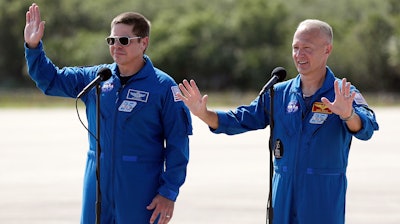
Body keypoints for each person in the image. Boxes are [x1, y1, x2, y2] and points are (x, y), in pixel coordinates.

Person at [178, 19, 379, 224]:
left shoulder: (343, 93)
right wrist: (204, 113)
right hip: (282, 194)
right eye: (295, 48)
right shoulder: (279, 93)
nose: (299, 55)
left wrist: (347, 114)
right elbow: (241, 119)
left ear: (327, 49)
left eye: (307, 48)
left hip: (322, 196)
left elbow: (367, 128)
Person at [24, 3, 192, 224]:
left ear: (144, 43)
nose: (116, 46)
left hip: (139, 186)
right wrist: (33, 46)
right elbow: (51, 80)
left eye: (124, 40)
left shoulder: (163, 87)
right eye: (111, 40)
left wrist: (168, 192)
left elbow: (177, 144)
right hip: (97, 183)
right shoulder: (96, 78)